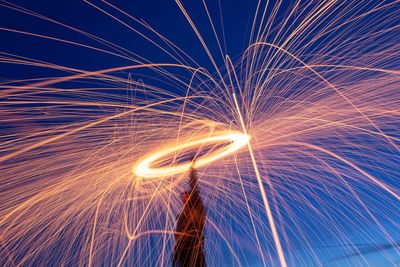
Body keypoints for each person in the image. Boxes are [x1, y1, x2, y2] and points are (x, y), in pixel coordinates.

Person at [173, 161, 206, 267]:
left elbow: (194, 186)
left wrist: (192, 170)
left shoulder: (196, 206)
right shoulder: (182, 215)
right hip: (183, 253)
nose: (183, 198)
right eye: (182, 197)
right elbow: (178, 235)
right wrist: (176, 254)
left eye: (186, 196)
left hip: (195, 248)